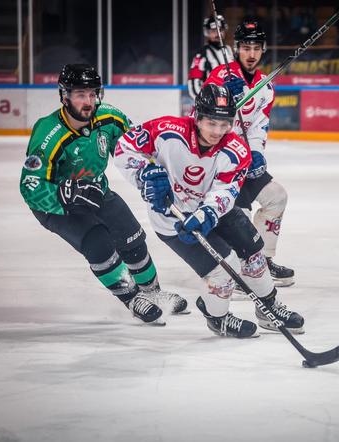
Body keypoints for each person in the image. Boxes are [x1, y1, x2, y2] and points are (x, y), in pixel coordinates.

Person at [113, 83, 304, 338]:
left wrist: (207, 214)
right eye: (211, 123)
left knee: (254, 252)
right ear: (197, 116)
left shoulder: (236, 150)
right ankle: (218, 318)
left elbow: (226, 191)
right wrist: (144, 173)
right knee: (224, 267)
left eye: (224, 124)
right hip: (173, 220)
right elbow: (124, 147)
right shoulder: (166, 131)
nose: (217, 131)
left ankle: (268, 307)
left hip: (213, 212)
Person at [19, 64, 188, 326]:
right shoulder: (48, 134)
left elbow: (136, 150)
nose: (88, 102)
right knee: (98, 242)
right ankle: (132, 299)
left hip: (97, 190)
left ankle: (152, 293)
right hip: (57, 205)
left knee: (132, 237)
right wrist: (65, 194)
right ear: (64, 96)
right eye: (80, 95)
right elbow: (30, 186)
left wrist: (149, 174)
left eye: (92, 94)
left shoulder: (109, 117)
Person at [204, 19, 295, 288]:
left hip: (243, 161)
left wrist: (256, 153)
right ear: (236, 48)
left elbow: (257, 128)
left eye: (256, 47)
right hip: (218, 164)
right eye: (246, 47)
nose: (251, 53)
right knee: (238, 214)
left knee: (276, 197)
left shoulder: (265, 87)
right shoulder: (220, 76)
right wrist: (225, 98)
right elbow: (200, 121)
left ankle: (263, 260)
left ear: (263, 49)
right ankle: (245, 267)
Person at [187, 15, 233, 100]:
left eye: (220, 30)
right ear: (206, 33)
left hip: (231, 101)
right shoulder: (201, 54)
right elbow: (193, 83)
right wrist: (204, 101)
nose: (217, 34)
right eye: (213, 31)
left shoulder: (229, 50)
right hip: (212, 102)